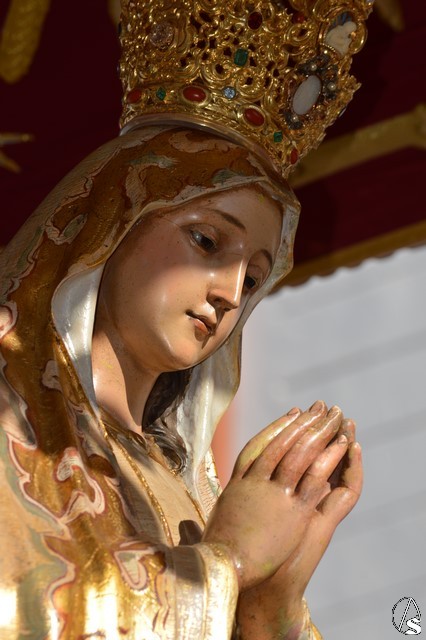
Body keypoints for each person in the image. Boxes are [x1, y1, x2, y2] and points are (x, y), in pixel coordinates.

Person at [0, 1, 370, 637]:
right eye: (205, 240)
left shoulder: (190, 488)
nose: (229, 294)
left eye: (252, 279)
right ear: (111, 224)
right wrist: (226, 565)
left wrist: (273, 603)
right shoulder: (12, 413)